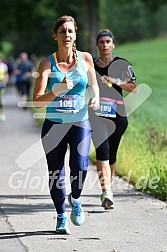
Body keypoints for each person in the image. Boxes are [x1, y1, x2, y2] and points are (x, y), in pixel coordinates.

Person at [33, 15, 99, 234]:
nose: (66, 35)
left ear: (75, 34)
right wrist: (57, 90)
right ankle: (61, 215)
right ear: (55, 36)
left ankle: (76, 199)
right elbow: (36, 101)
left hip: (80, 123)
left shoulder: (86, 59)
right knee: (56, 172)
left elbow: (93, 83)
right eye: (62, 32)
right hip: (54, 125)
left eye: (70, 31)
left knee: (79, 167)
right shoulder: (46, 64)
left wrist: (95, 97)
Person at [89, 29, 137, 210]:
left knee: (112, 154)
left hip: (118, 115)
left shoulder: (122, 64)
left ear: (113, 44)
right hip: (97, 114)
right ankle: (106, 191)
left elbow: (134, 88)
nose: (105, 45)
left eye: (108, 42)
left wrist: (116, 81)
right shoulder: (91, 64)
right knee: (102, 149)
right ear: (97, 45)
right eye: (101, 42)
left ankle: (108, 188)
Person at [0, 56, 8, 121]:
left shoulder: (4, 66)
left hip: (1, 84)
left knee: (1, 100)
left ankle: (2, 113)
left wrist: (5, 80)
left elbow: (6, 74)